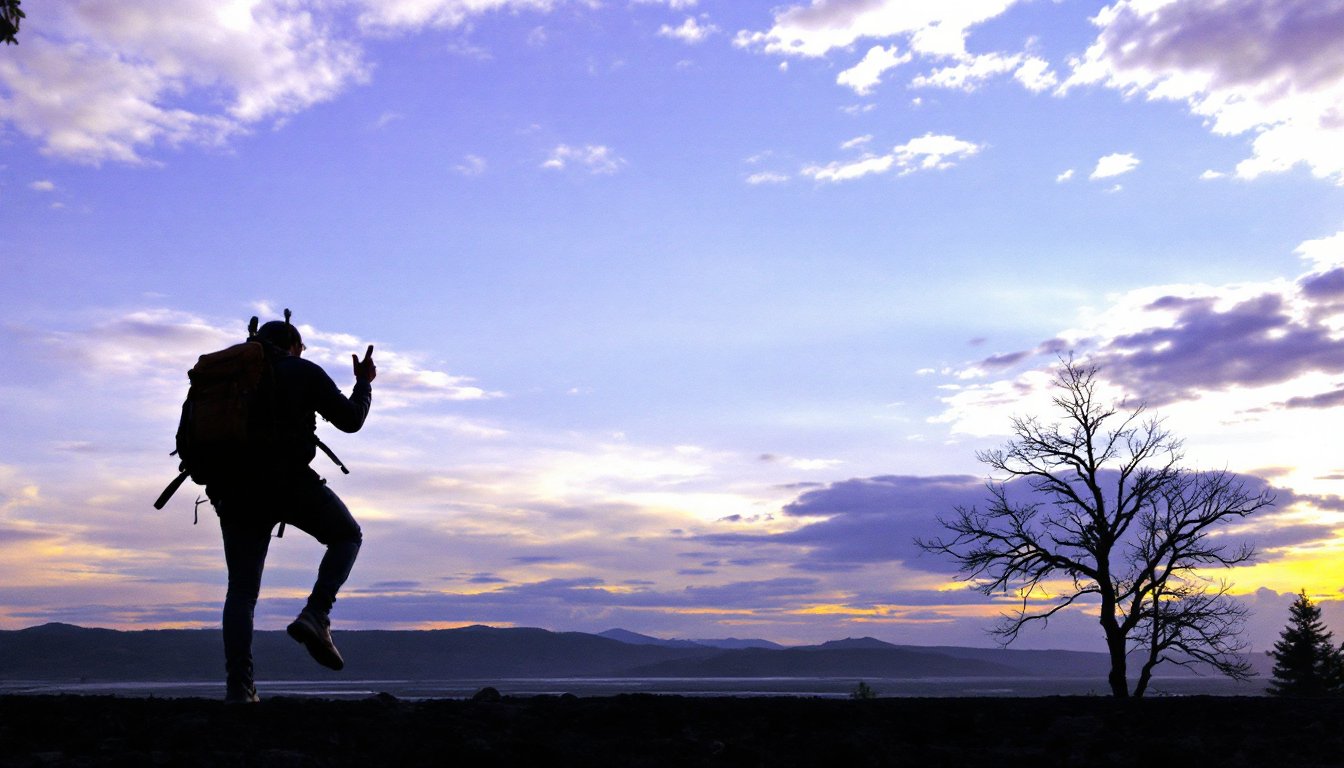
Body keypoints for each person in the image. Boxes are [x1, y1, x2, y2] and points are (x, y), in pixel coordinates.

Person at [207, 319, 376, 704]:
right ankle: (316, 613)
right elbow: (350, 421)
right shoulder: (301, 370)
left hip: (232, 491)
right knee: (347, 535)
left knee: (242, 591)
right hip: (287, 482)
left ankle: (239, 687)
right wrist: (364, 382)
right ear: (294, 345)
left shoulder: (225, 378)